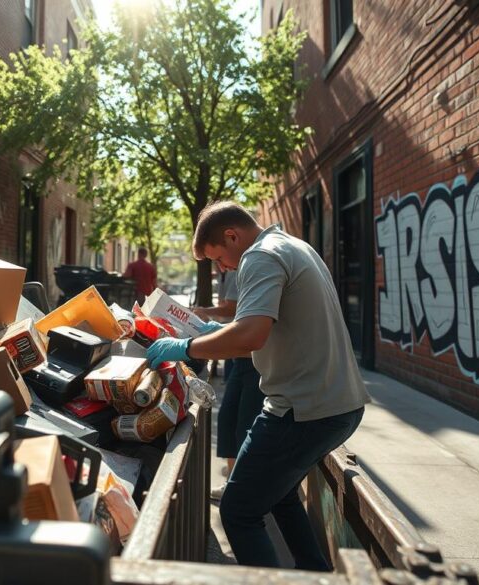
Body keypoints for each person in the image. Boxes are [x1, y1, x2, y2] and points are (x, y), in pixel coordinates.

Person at [146, 201, 369, 570]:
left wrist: (185, 346)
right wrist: (219, 332)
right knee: (279, 495)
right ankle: (315, 575)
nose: (222, 269)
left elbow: (250, 336)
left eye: (219, 258)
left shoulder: (259, 257)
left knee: (237, 511)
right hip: (338, 405)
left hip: (302, 409)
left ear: (233, 236)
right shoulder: (295, 246)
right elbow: (272, 331)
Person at [191, 271, 263, 502]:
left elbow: (233, 310)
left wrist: (191, 346)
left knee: (244, 424)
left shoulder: (245, 267)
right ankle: (233, 481)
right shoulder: (231, 270)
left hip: (254, 361)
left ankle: (242, 487)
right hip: (240, 360)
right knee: (228, 419)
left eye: (218, 257)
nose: (218, 264)